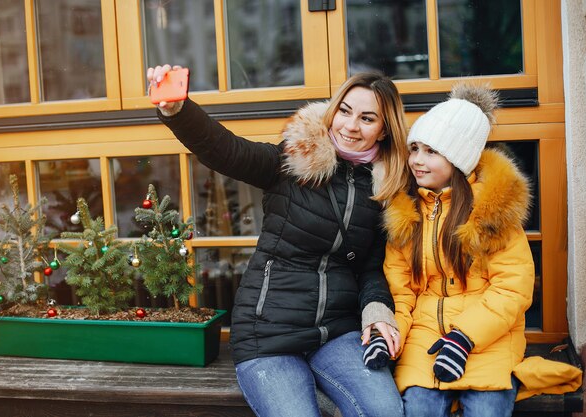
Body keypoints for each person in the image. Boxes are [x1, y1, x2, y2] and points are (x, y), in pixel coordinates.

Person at [148, 64, 409, 417]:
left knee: (387, 412)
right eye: (345, 111)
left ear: (383, 131)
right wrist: (177, 111)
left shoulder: (384, 190)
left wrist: (377, 311)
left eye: (367, 118)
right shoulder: (293, 160)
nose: (350, 125)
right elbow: (226, 150)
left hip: (336, 333)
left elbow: (371, 267)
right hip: (268, 334)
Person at [382, 83, 535, 417]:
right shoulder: (406, 213)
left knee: (487, 410)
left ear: (459, 159)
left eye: (431, 152)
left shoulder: (492, 212)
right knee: (417, 409)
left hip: (487, 340)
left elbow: (513, 286)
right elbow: (401, 289)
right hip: (423, 340)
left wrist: (464, 338)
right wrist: (391, 332)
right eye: (415, 148)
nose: (417, 161)